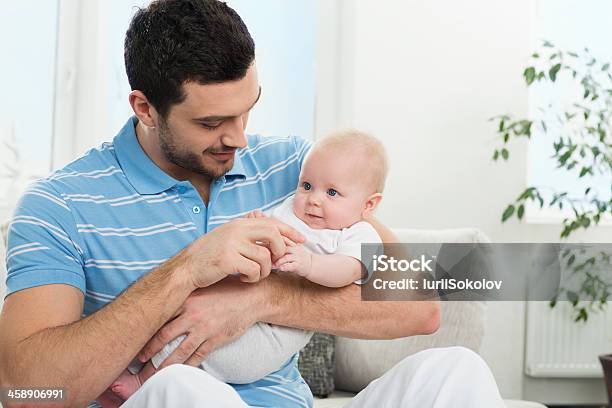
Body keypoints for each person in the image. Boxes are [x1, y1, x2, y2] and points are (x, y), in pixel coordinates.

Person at [0, 1, 504, 407]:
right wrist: (184, 271)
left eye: (248, 111)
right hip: (178, 398)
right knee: (182, 389)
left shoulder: (300, 173)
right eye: (210, 123)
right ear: (144, 108)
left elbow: (420, 310)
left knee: (456, 370)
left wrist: (264, 299)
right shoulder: (59, 205)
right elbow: (24, 394)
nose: (239, 139)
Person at [107, 130, 387, 403]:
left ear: (368, 204)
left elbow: (347, 270)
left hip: (272, 338)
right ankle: (140, 381)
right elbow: (270, 230)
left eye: (333, 193)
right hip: (236, 315)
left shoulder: (360, 235)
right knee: (181, 325)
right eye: (307, 186)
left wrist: (310, 264)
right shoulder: (295, 209)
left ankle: (143, 382)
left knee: (195, 347)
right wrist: (258, 226)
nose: (314, 199)